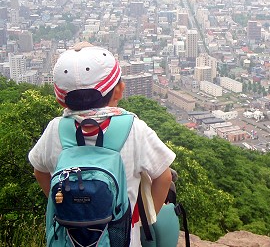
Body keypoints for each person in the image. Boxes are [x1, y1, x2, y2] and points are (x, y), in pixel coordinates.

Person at [28, 42, 175, 246]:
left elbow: (40, 172)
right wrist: (142, 221)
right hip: (123, 239)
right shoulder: (134, 128)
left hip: (68, 237)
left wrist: (67, 207)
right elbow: (164, 177)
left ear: (61, 101)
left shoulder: (55, 129)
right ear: (119, 90)